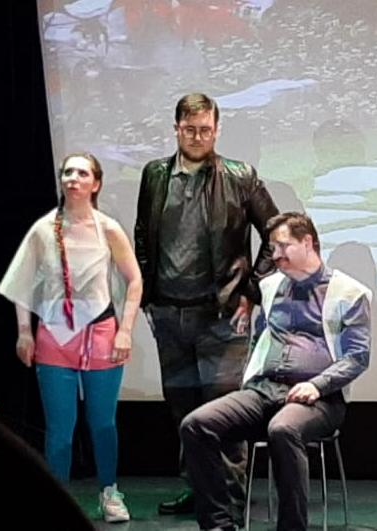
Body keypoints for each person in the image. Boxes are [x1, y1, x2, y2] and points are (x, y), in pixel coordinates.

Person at [134, 92, 279, 516]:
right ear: (176, 129)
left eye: (205, 130)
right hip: (169, 313)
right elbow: (143, 234)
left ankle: (228, 503)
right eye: (190, 129)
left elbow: (275, 232)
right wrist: (147, 295)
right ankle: (199, 491)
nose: (198, 137)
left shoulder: (240, 176)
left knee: (224, 412)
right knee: (184, 410)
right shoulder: (155, 174)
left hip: (222, 316)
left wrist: (251, 291)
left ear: (217, 130)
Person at [181, 212, 372, 531]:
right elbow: (261, 337)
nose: (276, 255)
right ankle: (218, 525)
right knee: (197, 425)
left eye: (283, 246)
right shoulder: (270, 286)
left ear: (308, 242)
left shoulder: (348, 292)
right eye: (272, 248)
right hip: (265, 389)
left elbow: (357, 356)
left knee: (283, 429)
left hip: (320, 398)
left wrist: (317, 385)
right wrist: (252, 376)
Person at [0, 152, 142, 523]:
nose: (73, 178)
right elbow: (21, 283)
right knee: (60, 429)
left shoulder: (108, 228)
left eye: (82, 173)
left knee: (103, 422)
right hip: (54, 335)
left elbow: (134, 280)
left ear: (96, 183)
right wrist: (24, 332)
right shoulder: (43, 229)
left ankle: (109, 491)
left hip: (100, 333)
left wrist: (125, 331)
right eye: (67, 172)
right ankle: (56, 496)